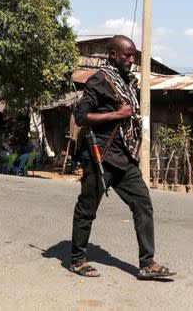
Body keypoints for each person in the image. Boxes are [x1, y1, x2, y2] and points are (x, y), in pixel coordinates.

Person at [69, 35, 175, 280]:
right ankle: (77, 260)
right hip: (100, 156)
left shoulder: (127, 82)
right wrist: (117, 114)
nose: (131, 60)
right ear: (113, 55)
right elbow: (81, 117)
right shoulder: (99, 82)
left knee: (143, 204)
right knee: (87, 209)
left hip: (125, 157)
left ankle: (147, 264)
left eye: (133, 55)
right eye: (127, 55)